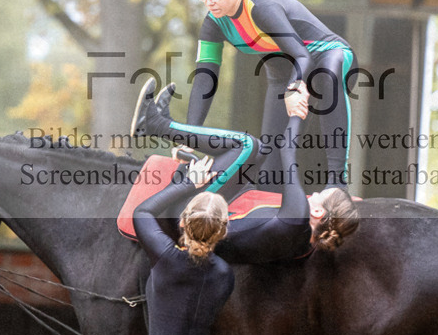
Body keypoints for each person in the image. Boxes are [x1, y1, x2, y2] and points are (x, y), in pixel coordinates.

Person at [133, 81, 360, 263]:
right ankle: (167, 124)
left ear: (319, 212)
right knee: (259, 151)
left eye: (320, 195)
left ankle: (155, 124)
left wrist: (296, 114)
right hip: (213, 220)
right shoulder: (302, 240)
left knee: (247, 145)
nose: (315, 194)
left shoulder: (298, 216)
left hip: (192, 218)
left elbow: (287, 155)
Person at [189, 0, 358, 190]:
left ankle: (336, 184)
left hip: (326, 57)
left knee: (328, 75)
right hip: (283, 75)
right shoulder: (213, 24)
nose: (209, 2)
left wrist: (295, 88)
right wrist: (187, 135)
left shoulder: (261, 8)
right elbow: (205, 80)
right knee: (270, 170)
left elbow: (302, 54)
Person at [111, 134, 234, 335]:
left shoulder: (167, 259)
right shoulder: (225, 274)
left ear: (182, 221)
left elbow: (143, 212)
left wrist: (188, 183)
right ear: (223, 232)